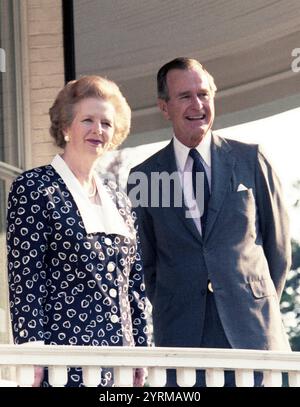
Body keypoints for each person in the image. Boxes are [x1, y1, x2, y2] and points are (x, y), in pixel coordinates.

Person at [127, 57, 291, 386]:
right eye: (185, 96)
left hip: (252, 335)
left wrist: (251, 299)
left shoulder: (250, 159)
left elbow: (278, 249)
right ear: (164, 106)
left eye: (204, 94)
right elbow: (146, 264)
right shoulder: (144, 177)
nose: (197, 104)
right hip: (181, 339)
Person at [7, 75, 149, 387]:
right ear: (66, 127)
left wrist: (142, 350)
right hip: (65, 364)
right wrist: (32, 353)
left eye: (106, 123)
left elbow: (134, 285)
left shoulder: (120, 200)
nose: (98, 130)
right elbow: (25, 277)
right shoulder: (34, 187)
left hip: (121, 365)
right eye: (87, 120)